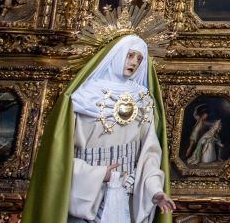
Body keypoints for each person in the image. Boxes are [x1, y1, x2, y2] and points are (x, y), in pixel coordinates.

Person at [22, 34, 174, 223]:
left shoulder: (142, 100)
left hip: (126, 193)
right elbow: (59, 157)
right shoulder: (82, 98)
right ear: (115, 55)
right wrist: (99, 175)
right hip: (85, 194)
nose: (134, 62)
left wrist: (155, 189)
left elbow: (149, 155)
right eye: (130, 55)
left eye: (139, 58)